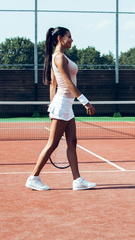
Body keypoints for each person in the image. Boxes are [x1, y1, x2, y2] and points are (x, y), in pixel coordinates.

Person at [26, 26, 97, 191]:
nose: (72, 40)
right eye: (69, 37)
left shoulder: (60, 57)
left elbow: (53, 84)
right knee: (53, 143)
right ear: (59, 38)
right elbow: (67, 83)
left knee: (72, 142)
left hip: (66, 105)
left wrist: (51, 105)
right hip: (63, 104)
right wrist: (85, 102)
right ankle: (33, 177)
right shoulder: (58, 58)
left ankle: (77, 180)